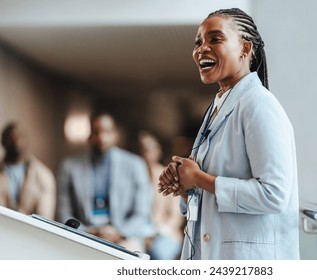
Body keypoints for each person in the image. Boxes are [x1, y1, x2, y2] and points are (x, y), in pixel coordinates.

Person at [158, 8, 300, 260]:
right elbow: (212, 190)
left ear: (245, 49)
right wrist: (184, 183)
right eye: (198, 42)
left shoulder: (259, 105)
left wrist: (199, 178)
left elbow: (274, 195)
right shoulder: (218, 107)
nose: (202, 48)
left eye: (215, 39)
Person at [56, 113, 154, 252]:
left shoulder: (135, 165)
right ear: (89, 136)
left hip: (124, 236)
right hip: (82, 234)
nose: (101, 137)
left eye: (107, 132)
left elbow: (142, 213)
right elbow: (64, 212)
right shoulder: (69, 167)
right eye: (96, 132)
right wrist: (87, 232)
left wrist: (118, 233)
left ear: (115, 135)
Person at [138, 131, 184, 259]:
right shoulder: (134, 178)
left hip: (165, 233)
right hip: (139, 232)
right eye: (141, 150)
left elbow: (177, 215)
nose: (145, 154)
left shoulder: (167, 177)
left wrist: (160, 230)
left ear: (158, 151)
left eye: (148, 149)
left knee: (159, 253)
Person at [0, 122, 56, 219]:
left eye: (19, 136)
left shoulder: (44, 175)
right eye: (10, 136)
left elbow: (45, 219)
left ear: (27, 140)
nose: (15, 140)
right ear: (3, 141)